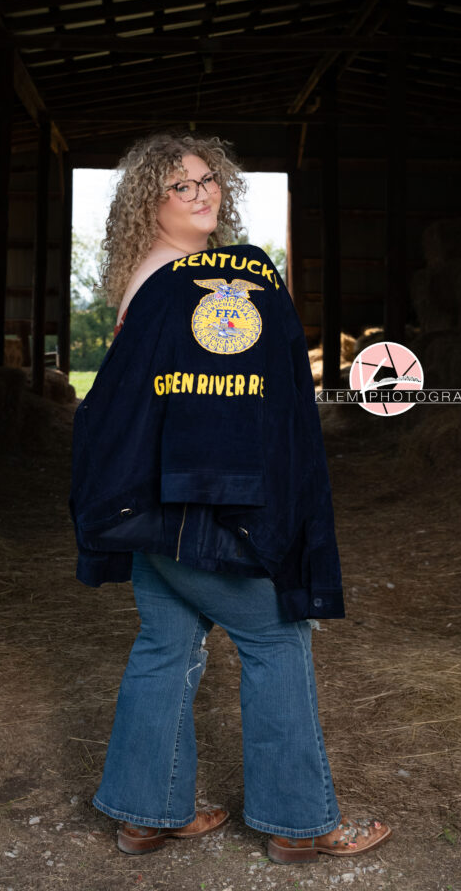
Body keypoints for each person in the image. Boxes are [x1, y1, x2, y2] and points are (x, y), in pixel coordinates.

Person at [69, 132, 391, 863]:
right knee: (277, 638)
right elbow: (221, 410)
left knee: (166, 643)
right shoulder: (199, 282)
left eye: (208, 179)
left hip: (147, 502)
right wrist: (245, 501)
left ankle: (145, 812)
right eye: (180, 185)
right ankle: (301, 824)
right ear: (148, 202)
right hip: (199, 501)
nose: (202, 193)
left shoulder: (151, 278)